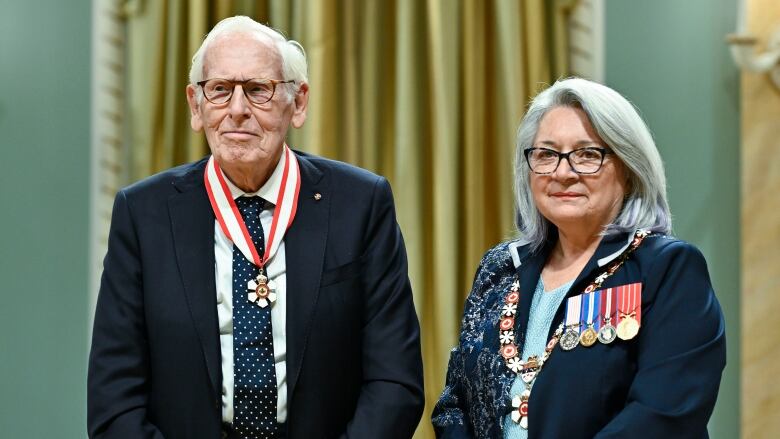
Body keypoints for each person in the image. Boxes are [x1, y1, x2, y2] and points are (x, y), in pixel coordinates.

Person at [88, 16, 424, 439]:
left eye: (258, 90)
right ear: (196, 106)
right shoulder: (142, 214)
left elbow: (395, 382)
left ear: (297, 103)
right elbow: (114, 398)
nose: (238, 110)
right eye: (220, 90)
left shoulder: (360, 205)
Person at [431, 77, 726, 438]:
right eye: (546, 154)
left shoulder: (666, 269)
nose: (562, 172)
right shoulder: (500, 268)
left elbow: (663, 415)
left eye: (587, 155)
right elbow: (453, 403)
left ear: (629, 170)